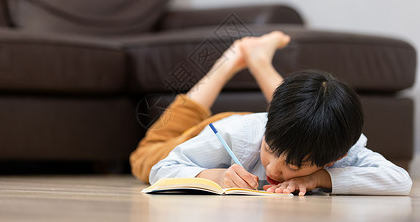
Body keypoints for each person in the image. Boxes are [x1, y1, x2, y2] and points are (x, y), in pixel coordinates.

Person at [130, 31, 412, 196]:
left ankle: (258, 58)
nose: (274, 169)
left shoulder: (339, 142)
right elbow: (161, 169)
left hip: (274, 128)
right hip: (222, 130)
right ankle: (230, 60)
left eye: (293, 165)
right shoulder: (235, 134)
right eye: (271, 150)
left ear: (335, 158)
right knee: (145, 155)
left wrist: (319, 179)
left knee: (307, 109)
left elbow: (400, 180)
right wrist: (215, 176)